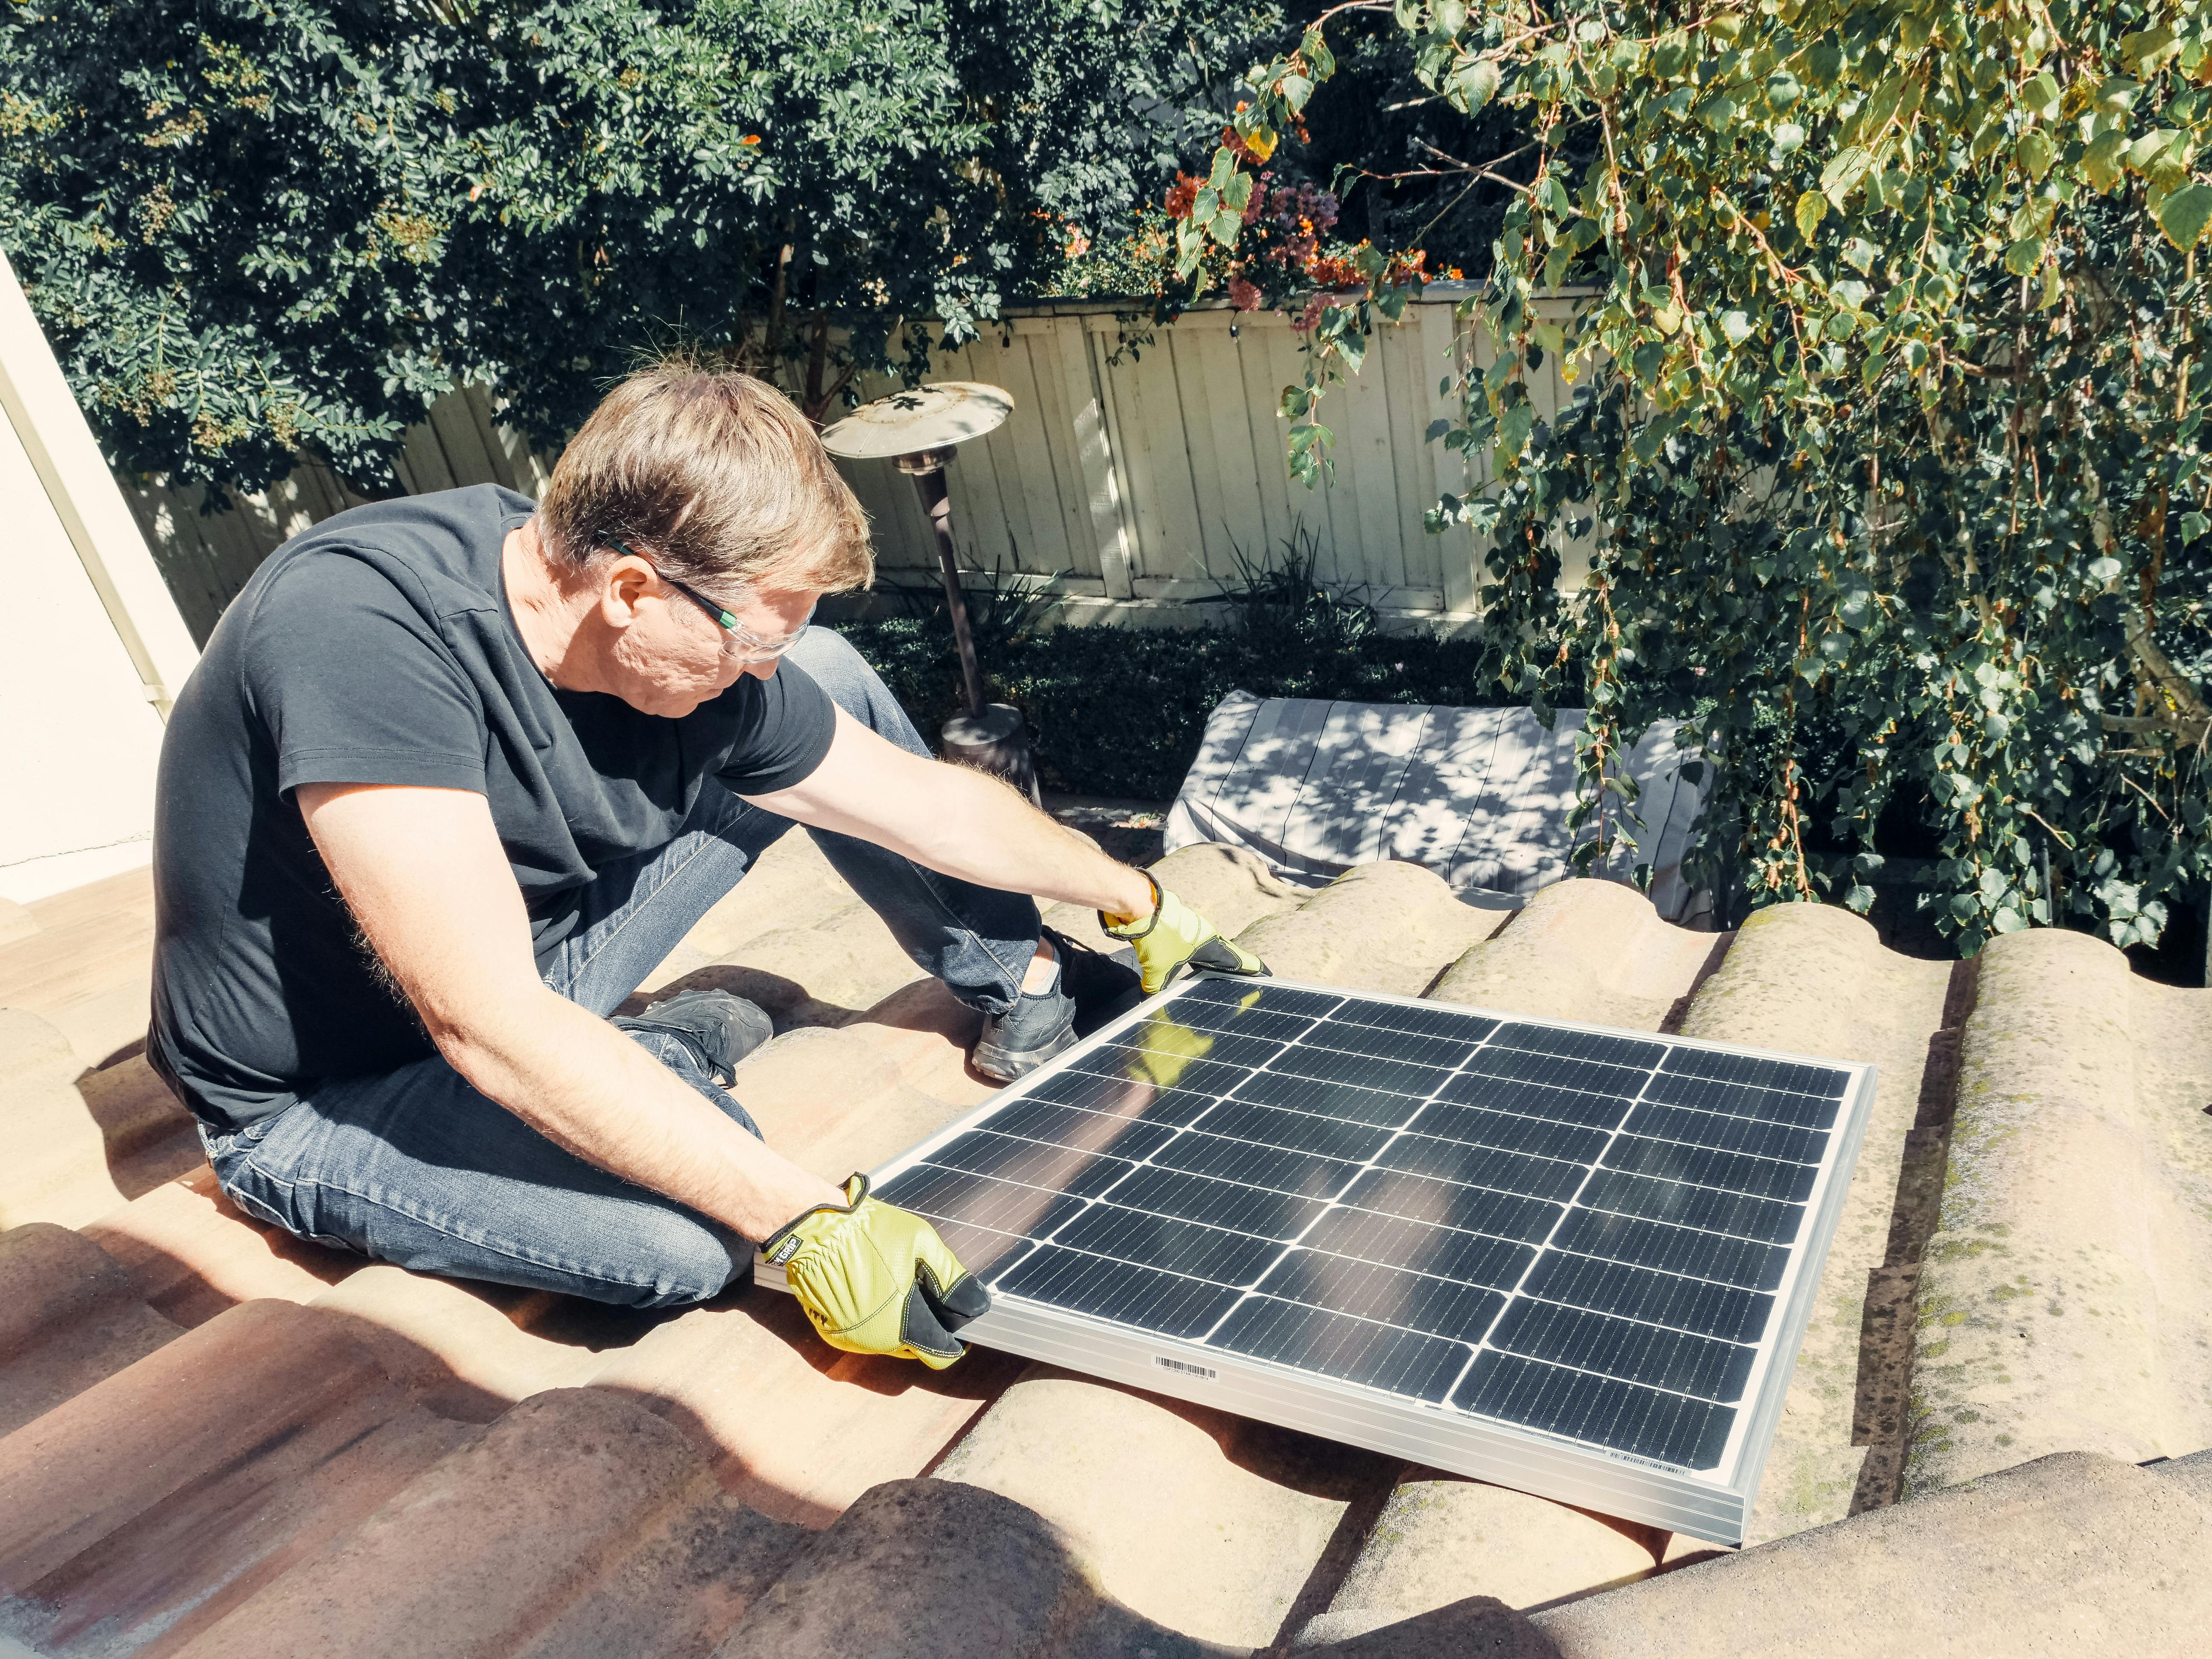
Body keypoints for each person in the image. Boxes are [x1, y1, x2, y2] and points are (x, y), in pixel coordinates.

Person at [147, 364, 1263, 1368]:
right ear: (632, 589)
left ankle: (1023, 988)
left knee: (829, 678)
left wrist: (1135, 895)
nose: (757, 672)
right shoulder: (364, 631)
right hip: (329, 1089)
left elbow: (921, 803)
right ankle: (639, 1063)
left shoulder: (699, 658)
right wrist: (810, 1218)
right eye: (751, 637)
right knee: (694, 1237)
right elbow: (480, 1018)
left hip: (536, 959)